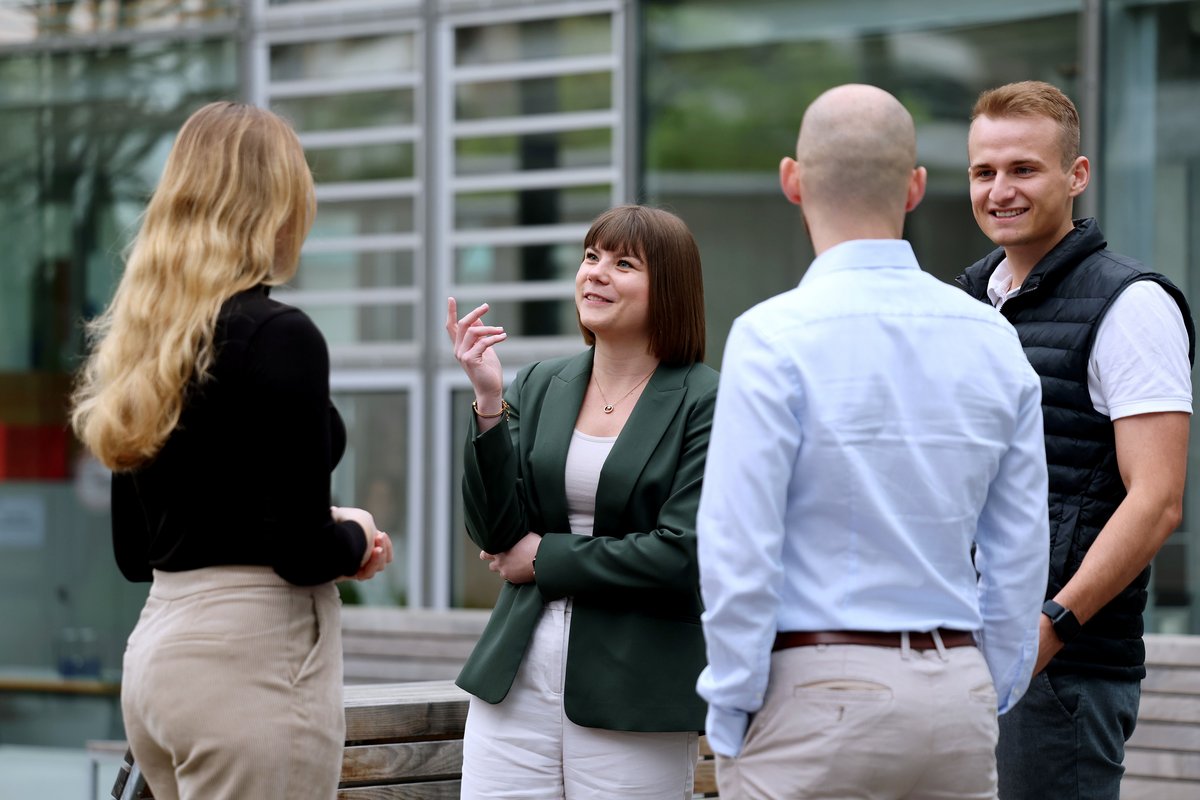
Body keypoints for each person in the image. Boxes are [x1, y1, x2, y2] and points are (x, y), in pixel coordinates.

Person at [695, 84, 1050, 799]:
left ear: (792, 180)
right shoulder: (993, 337)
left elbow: (739, 545)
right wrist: (989, 683)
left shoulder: (770, 336)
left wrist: (731, 704)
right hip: (955, 691)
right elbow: (1019, 547)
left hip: (814, 687)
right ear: (916, 188)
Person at [70, 101, 393, 800]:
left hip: (159, 660)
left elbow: (137, 552)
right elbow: (301, 553)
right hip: (252, 666)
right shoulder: (280, 335)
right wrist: (355, 532)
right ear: (278, 205)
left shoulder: (147, 342)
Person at [955, 80, 1195, 799]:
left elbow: (1157, 500)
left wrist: (1050, 626)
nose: (1001, 190)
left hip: (1060, 671)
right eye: (983, 172)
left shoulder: (1133, 305)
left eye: (1024, 169)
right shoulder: (965, 303)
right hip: (955, 661)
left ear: (1076, 175)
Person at [445, 204, 715, 799]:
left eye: (623, 264)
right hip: (515, 679)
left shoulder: (706, 399)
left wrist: (545, 559)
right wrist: (488, 404)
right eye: (591, 257)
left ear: (667, 288)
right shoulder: (542, 382)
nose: (595, 273)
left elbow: (684, 554)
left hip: (635, 689)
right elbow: (494, 531)